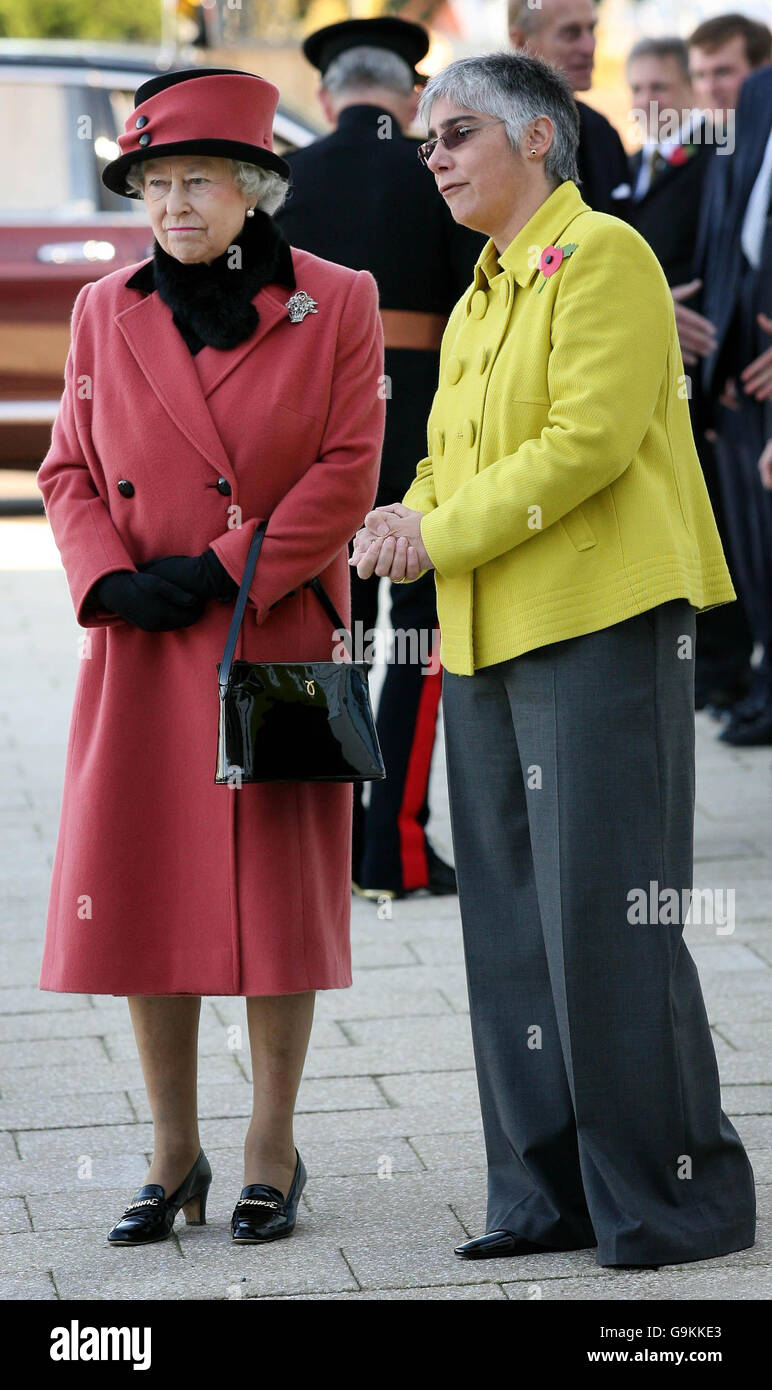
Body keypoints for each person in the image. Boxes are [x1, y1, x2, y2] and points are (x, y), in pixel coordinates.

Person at [351, 50, 756, 1268]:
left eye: (455, 133)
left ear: (538, 138)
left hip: (598, 622)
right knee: (514, 930)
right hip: (486, 625)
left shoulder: (605, 256)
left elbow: (582, 441)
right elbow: (445, 452)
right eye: (425, 140)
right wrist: (401, 516)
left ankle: (671, 1198)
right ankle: (544, 1194)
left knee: (608, 922)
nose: (434, 158)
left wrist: (439, 529)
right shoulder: (481, 287)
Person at [36, 67, 385, 1246]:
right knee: (142, 893)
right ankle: (170, 1152)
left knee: (280, 906)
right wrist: (111, 579)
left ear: (253, 188)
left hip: (273, 638)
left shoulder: (336, 299)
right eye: (152, 184)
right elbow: (66, 470)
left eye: (194, 181)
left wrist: (224, 567)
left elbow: (348, 471)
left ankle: (269, 1148)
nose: (171, 206)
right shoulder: (102, 307)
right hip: (142, 646)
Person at [278, 16, 484, 900]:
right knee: (420, 639)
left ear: (328, 98)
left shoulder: (282, 180)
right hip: (425, 427)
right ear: (409, 99)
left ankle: (309, 855)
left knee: (324, 635)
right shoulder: (434, 167)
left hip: (309, 432)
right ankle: (390, 848)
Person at [627, 36, 756, 713]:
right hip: (649, 368)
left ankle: (728, 667)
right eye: (638, 89)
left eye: (662, 88)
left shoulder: (719, 160)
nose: (649, 102)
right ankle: (709, 667)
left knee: (724, 524)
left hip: (715, 367)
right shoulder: (627, 168)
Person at [695, 63, 772, 746]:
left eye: (723, 70)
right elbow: (731, 247)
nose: (713, 87)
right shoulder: (754, 104)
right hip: (743, 368)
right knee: (754, 546)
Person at [508, 0, 631, 215]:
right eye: (570, 33)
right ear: (520, 42)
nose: (589, 46)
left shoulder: (602, 131)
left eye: (591, 29)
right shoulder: (494, 137)